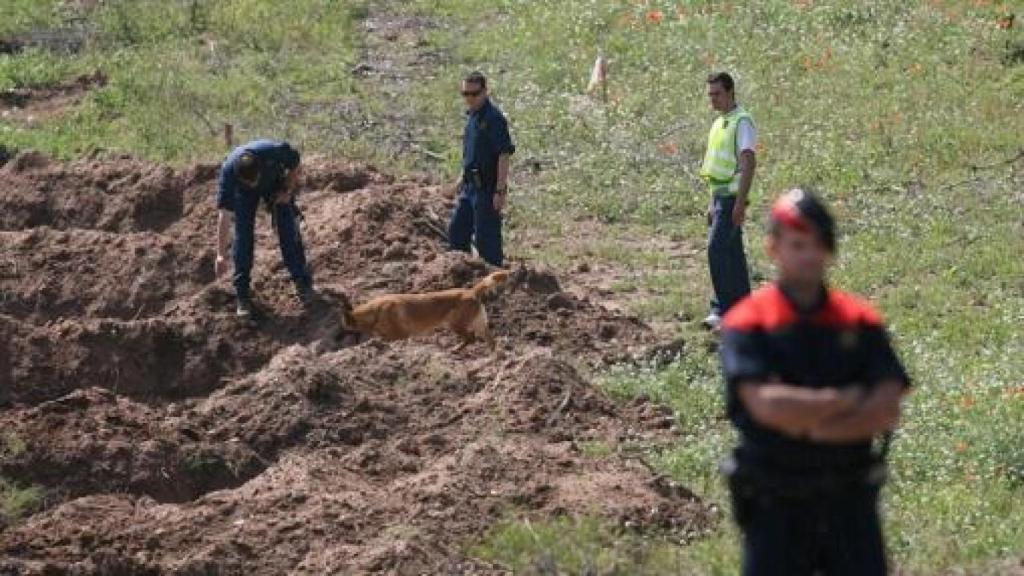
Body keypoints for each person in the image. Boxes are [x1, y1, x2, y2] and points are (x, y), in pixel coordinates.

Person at [719, 188, 912, 576]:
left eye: (818, 244)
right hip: (775, 502)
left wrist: (806, 423)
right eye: (797, 244)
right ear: (774, 248)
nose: (809, 255)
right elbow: (767, 405)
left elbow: (887, 408)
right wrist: (845, 399)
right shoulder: (748, 320)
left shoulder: (859, 319)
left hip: (849, 500)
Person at [215, 139, 313, 317]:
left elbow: (295, 163)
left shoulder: (273, 151)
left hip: (273, 182)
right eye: (249, 181)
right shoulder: (228, 173)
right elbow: (224, 215)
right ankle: (242, 294)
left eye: (254, 180)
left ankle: (301, 280)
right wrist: (220, 254)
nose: (253, 185)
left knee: (287, 226)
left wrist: (288, 191)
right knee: (243, 236)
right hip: (244, 196)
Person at [700, 71, 757, 331]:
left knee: (717, 251)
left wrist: (739, 203)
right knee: (732, 254)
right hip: (720, 197)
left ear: (731, 92)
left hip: (732, 198)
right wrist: (712, 201)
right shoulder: (719, 122)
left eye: (717, 94)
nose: (713, 99)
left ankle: (723, 310)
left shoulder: (741, 122)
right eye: (710, 94)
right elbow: (716, 169)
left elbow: (748, 163)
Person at [448, 71, 515, 267]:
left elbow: (504, 154)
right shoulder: (472, 117)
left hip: (487, 189)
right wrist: (459, 182)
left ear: (485, 92)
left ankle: (495, 282)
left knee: (487, 243)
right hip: (470, 188)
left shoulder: (494, 119)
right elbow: (471, 154)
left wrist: (500, 190)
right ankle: (463, 279)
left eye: (474, 94)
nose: (469, 99)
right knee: (457, 234)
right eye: (465, 94)